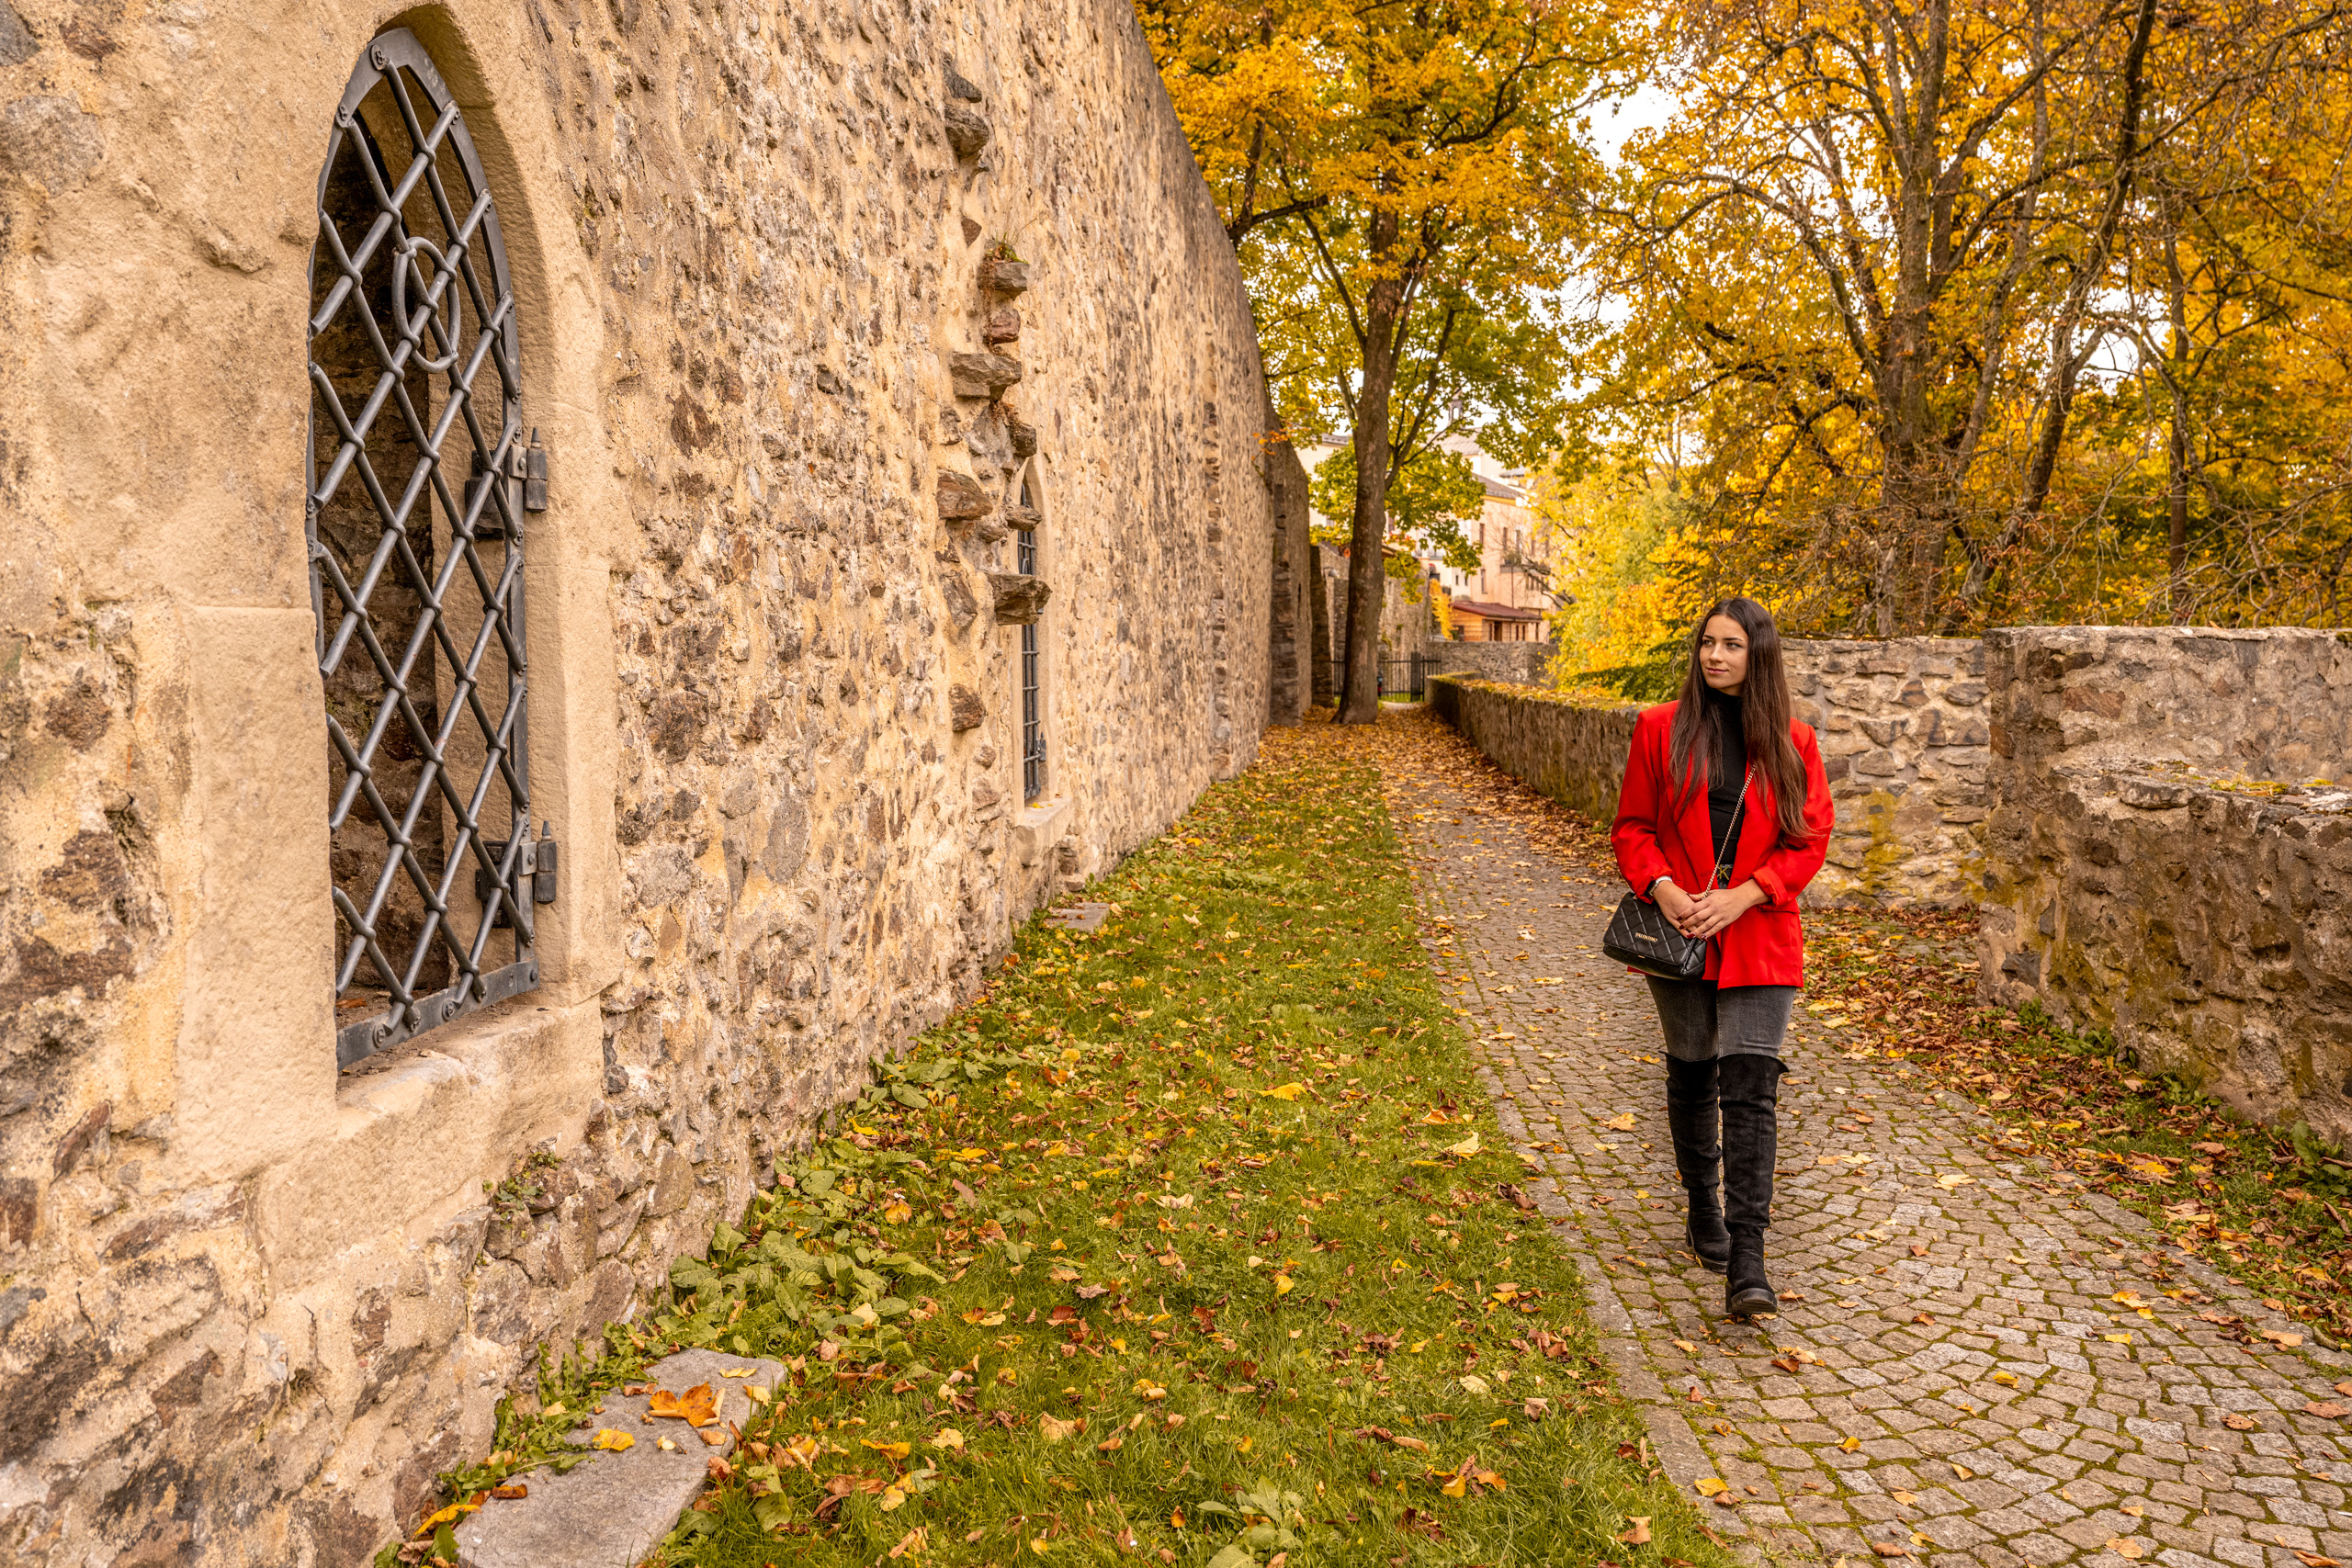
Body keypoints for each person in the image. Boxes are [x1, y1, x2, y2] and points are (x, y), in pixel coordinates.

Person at [1611, 598, 1833, 1318]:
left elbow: (1809, 839)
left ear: (1757, 654)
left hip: (1760, 931)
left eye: (1732, 644)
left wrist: (1747, 895)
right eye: (1708, 642)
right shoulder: (1659, 730)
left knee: (1751, 1085)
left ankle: (1748, 1254)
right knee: (1692, 1066)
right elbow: (1632, 828)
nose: (1715, 656)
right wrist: (1665, 888)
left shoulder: (1793, 741)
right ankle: (1700, 1201)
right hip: (1678, 932)